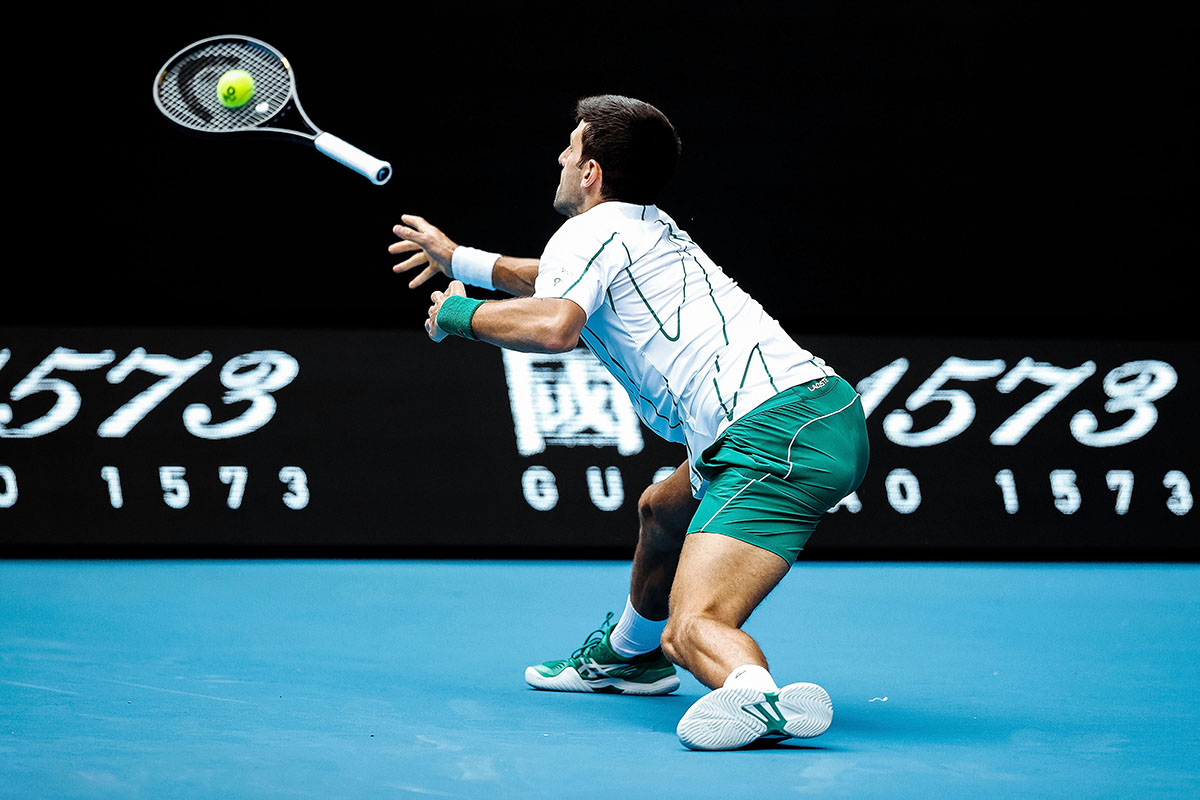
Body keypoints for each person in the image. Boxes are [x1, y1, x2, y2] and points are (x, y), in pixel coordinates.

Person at [388, 95, 869, 751]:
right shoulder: (642, 227)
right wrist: (460, 260)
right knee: (660, 512)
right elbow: (557, 279)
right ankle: (628, 658)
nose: (560, 158)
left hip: (772, 434)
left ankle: (756, 693)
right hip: (813, 411)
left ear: (589, 171)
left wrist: (457, 315)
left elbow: (557, 324)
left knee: (691, 624)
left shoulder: (588, 233)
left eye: (569, 147)